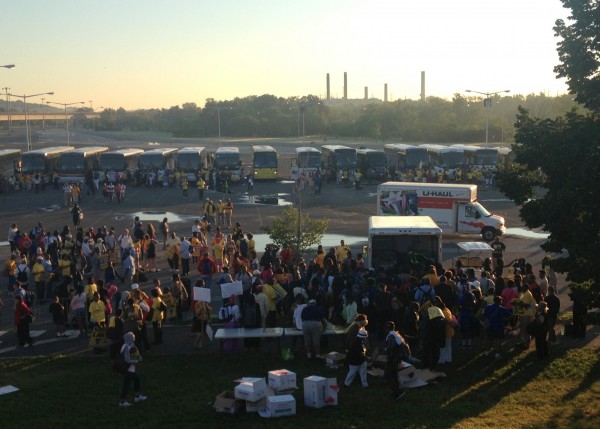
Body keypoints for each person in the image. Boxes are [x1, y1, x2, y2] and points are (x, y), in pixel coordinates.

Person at [118, 332, 148, 407]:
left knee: (137, 379)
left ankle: (137, 396)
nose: (134, 339)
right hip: (129, 369)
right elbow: (127, 360)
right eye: (133, 337)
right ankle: (122, 401)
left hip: (130, 368)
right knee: (126, 384)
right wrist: (136, 361)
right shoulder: (128, 347)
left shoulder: (126, 345)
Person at [384, 321, 407, 400]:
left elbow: (390, 348)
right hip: (398, 357)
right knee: (394, 374)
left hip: (394, 358)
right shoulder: (395, 333)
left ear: (387, 328)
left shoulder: (391, 336)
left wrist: (388, 355)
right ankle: (397, 391)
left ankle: (397, 392)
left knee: (388, 374)